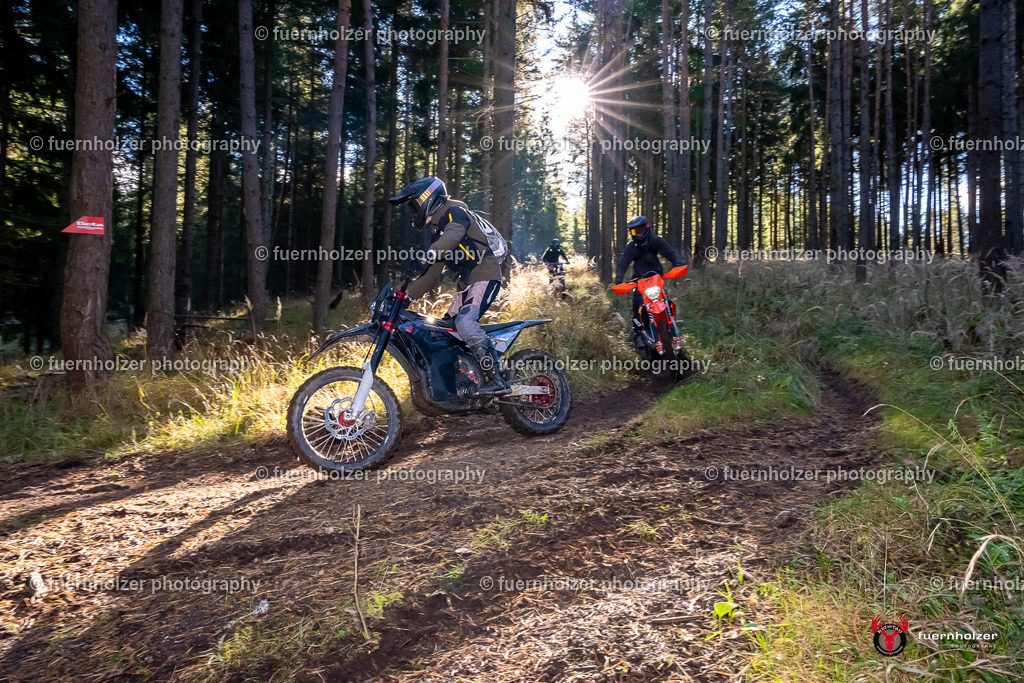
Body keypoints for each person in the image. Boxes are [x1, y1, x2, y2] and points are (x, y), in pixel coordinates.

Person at [387, 176, 509, 394]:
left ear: (428, 198)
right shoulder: (438, 230)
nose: (414, 211)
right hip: (467, 285)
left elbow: (454, 235)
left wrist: (427, 255)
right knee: (444, 330)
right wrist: (406, 296)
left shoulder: (455, 212)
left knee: (465, 322)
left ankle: (496, 378)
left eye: (415, 205)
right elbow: (432, 275)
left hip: (486, 275)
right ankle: (464, 378)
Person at [614, 215, 685, 349]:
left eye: (640, 230)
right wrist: (619, 280)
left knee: (665, 301)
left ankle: (671, 326)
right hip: (639, 281)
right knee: (637, 305)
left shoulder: (655, 240)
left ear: (646, 228)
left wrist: (678, 263)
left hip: (656, 278)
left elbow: (670, 252)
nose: (638, 233)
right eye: (634, 231)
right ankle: (639, 334)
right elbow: (622, 264)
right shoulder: (632, 247)